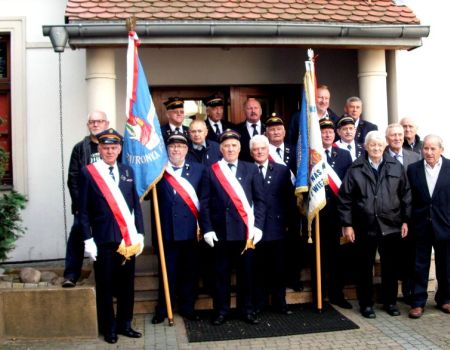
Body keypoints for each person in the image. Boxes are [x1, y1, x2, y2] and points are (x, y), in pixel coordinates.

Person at [78, 128, 144, 344]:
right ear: (99, 148)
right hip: (103, 239)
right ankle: (109, 327)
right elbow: (84, 210)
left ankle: (125, 323)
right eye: (105, 147)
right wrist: (88, 239)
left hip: (127, 240)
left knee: (127, 285)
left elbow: (135, 204)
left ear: (119, 149)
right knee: (105, 286)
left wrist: (140, 233)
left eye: (114, 147)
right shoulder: (89, 172)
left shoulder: (127, 171)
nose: (110, 151)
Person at [338, 130, 411, 319]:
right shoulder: (355, 168)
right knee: (364, 268)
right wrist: (347, 224)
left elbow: (406, 195)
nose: (376, 148)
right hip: (364, 226)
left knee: (390, 268)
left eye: (379, 145)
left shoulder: (396, 166)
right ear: (366, 147)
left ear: (385, 146)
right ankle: (366, 304)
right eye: (373, 145)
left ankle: (390, 302)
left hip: (392, 224)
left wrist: (405, 220)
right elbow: (345, 198)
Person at [199, 129, 266, 325]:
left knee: (247, 275)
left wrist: (258, 227)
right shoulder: (211, 170)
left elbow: (260, 201)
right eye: (226, 146)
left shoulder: (251, 169)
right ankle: (222, 311)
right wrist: (208, 229)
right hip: (221, 233)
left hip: (246, 232)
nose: (230, 149)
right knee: (221, 275)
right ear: (220, 149)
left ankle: (247, 310)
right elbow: (204, 203)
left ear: (240, 148)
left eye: (234, 146)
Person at [151, 134, 205, 324]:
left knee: (190, 272)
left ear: (186, 150)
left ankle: (187, 307)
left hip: (191, 231)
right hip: (167, 231)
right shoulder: (158, 171)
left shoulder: (198, 170)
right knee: (168, 271)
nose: (176, 150)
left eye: (180, 147)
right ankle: (163, 308)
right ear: (167, 149)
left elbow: (204, 200)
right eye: (172, 146)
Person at [62, 111, 110, 288]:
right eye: (92, 122)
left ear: (107, 123)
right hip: (85, 204)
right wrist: (79, 204)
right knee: (77, 235)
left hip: (109, 204)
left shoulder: (114, 145)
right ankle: (71, 275)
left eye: (99, 121)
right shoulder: (80, 148)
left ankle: (109, 280)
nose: (95, 124)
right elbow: (72, 178)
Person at [250, 134, 295, 315]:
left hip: (277, 227)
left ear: (268, 150)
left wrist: (289, 225)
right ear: (251, 152)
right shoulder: (246, 170)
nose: (259, 152)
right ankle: (259, 304)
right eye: (256, 149)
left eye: (262, 148)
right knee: (258, 268)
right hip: (256, 228)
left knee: (278, 268)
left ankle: (279, 303)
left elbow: (289, 201)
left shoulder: (282, 170)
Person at [407, 134, 450, 318]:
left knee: (446, 265)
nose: (429, 152)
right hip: (420, 225)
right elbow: (408, 198)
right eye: (426, 148)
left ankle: (446, 299)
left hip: (445, 225)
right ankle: (417, 302)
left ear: (441, 150)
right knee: (419, 265)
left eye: (433, 148)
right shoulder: (413, 169)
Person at [317, 118, 353, 309]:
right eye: (323, 132)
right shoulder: (313, 155)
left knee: (338, 258)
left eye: (330, 131)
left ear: (335, 134)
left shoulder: (344, 155)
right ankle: (319, 295)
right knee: (320, 257)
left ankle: (337, 294)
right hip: (319, 215)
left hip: (338, 215)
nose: (328, 134)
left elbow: (348, 186)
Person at [384, 123, 420, 304]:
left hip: (410, 215)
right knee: (390, 257)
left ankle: (409, 292)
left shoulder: (415, 157)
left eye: (400, 135)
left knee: (409, 256)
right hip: (388, 217)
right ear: (387, 138)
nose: (397, 138)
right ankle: (389, 296)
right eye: (393, 135)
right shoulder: (380, 157)